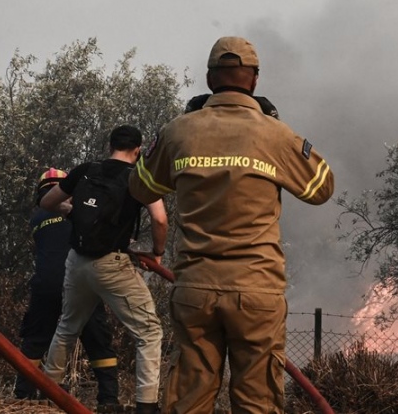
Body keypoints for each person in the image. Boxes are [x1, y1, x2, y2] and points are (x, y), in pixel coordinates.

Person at [128, 36, 335, 413]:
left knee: (188, 400)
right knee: (257, 402)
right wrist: (277, 133)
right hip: (257, 290)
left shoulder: (178, 131)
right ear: (255, 80)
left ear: (209, 79)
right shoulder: (275, 134)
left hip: (195, 290)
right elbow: (321, 188)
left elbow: (140, 187)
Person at [40, 125, 167, 414]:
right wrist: (157, 253)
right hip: (112, 263)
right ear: (138, 150)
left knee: (67, 326)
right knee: (149, 331)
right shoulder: (139, 177)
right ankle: (147, 405)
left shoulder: (85, 170)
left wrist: (71, 210)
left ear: (110, 145)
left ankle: (47, 394)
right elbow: (160, 220)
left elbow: (47, 202)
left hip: (77, 261)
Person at [13, 168, 119, 406]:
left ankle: (22, 397)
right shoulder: (79, 211)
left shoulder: (37, 218)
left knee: (36, 339)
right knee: (97, 340)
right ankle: (109, 399)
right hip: (80, 282)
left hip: (46, 284)